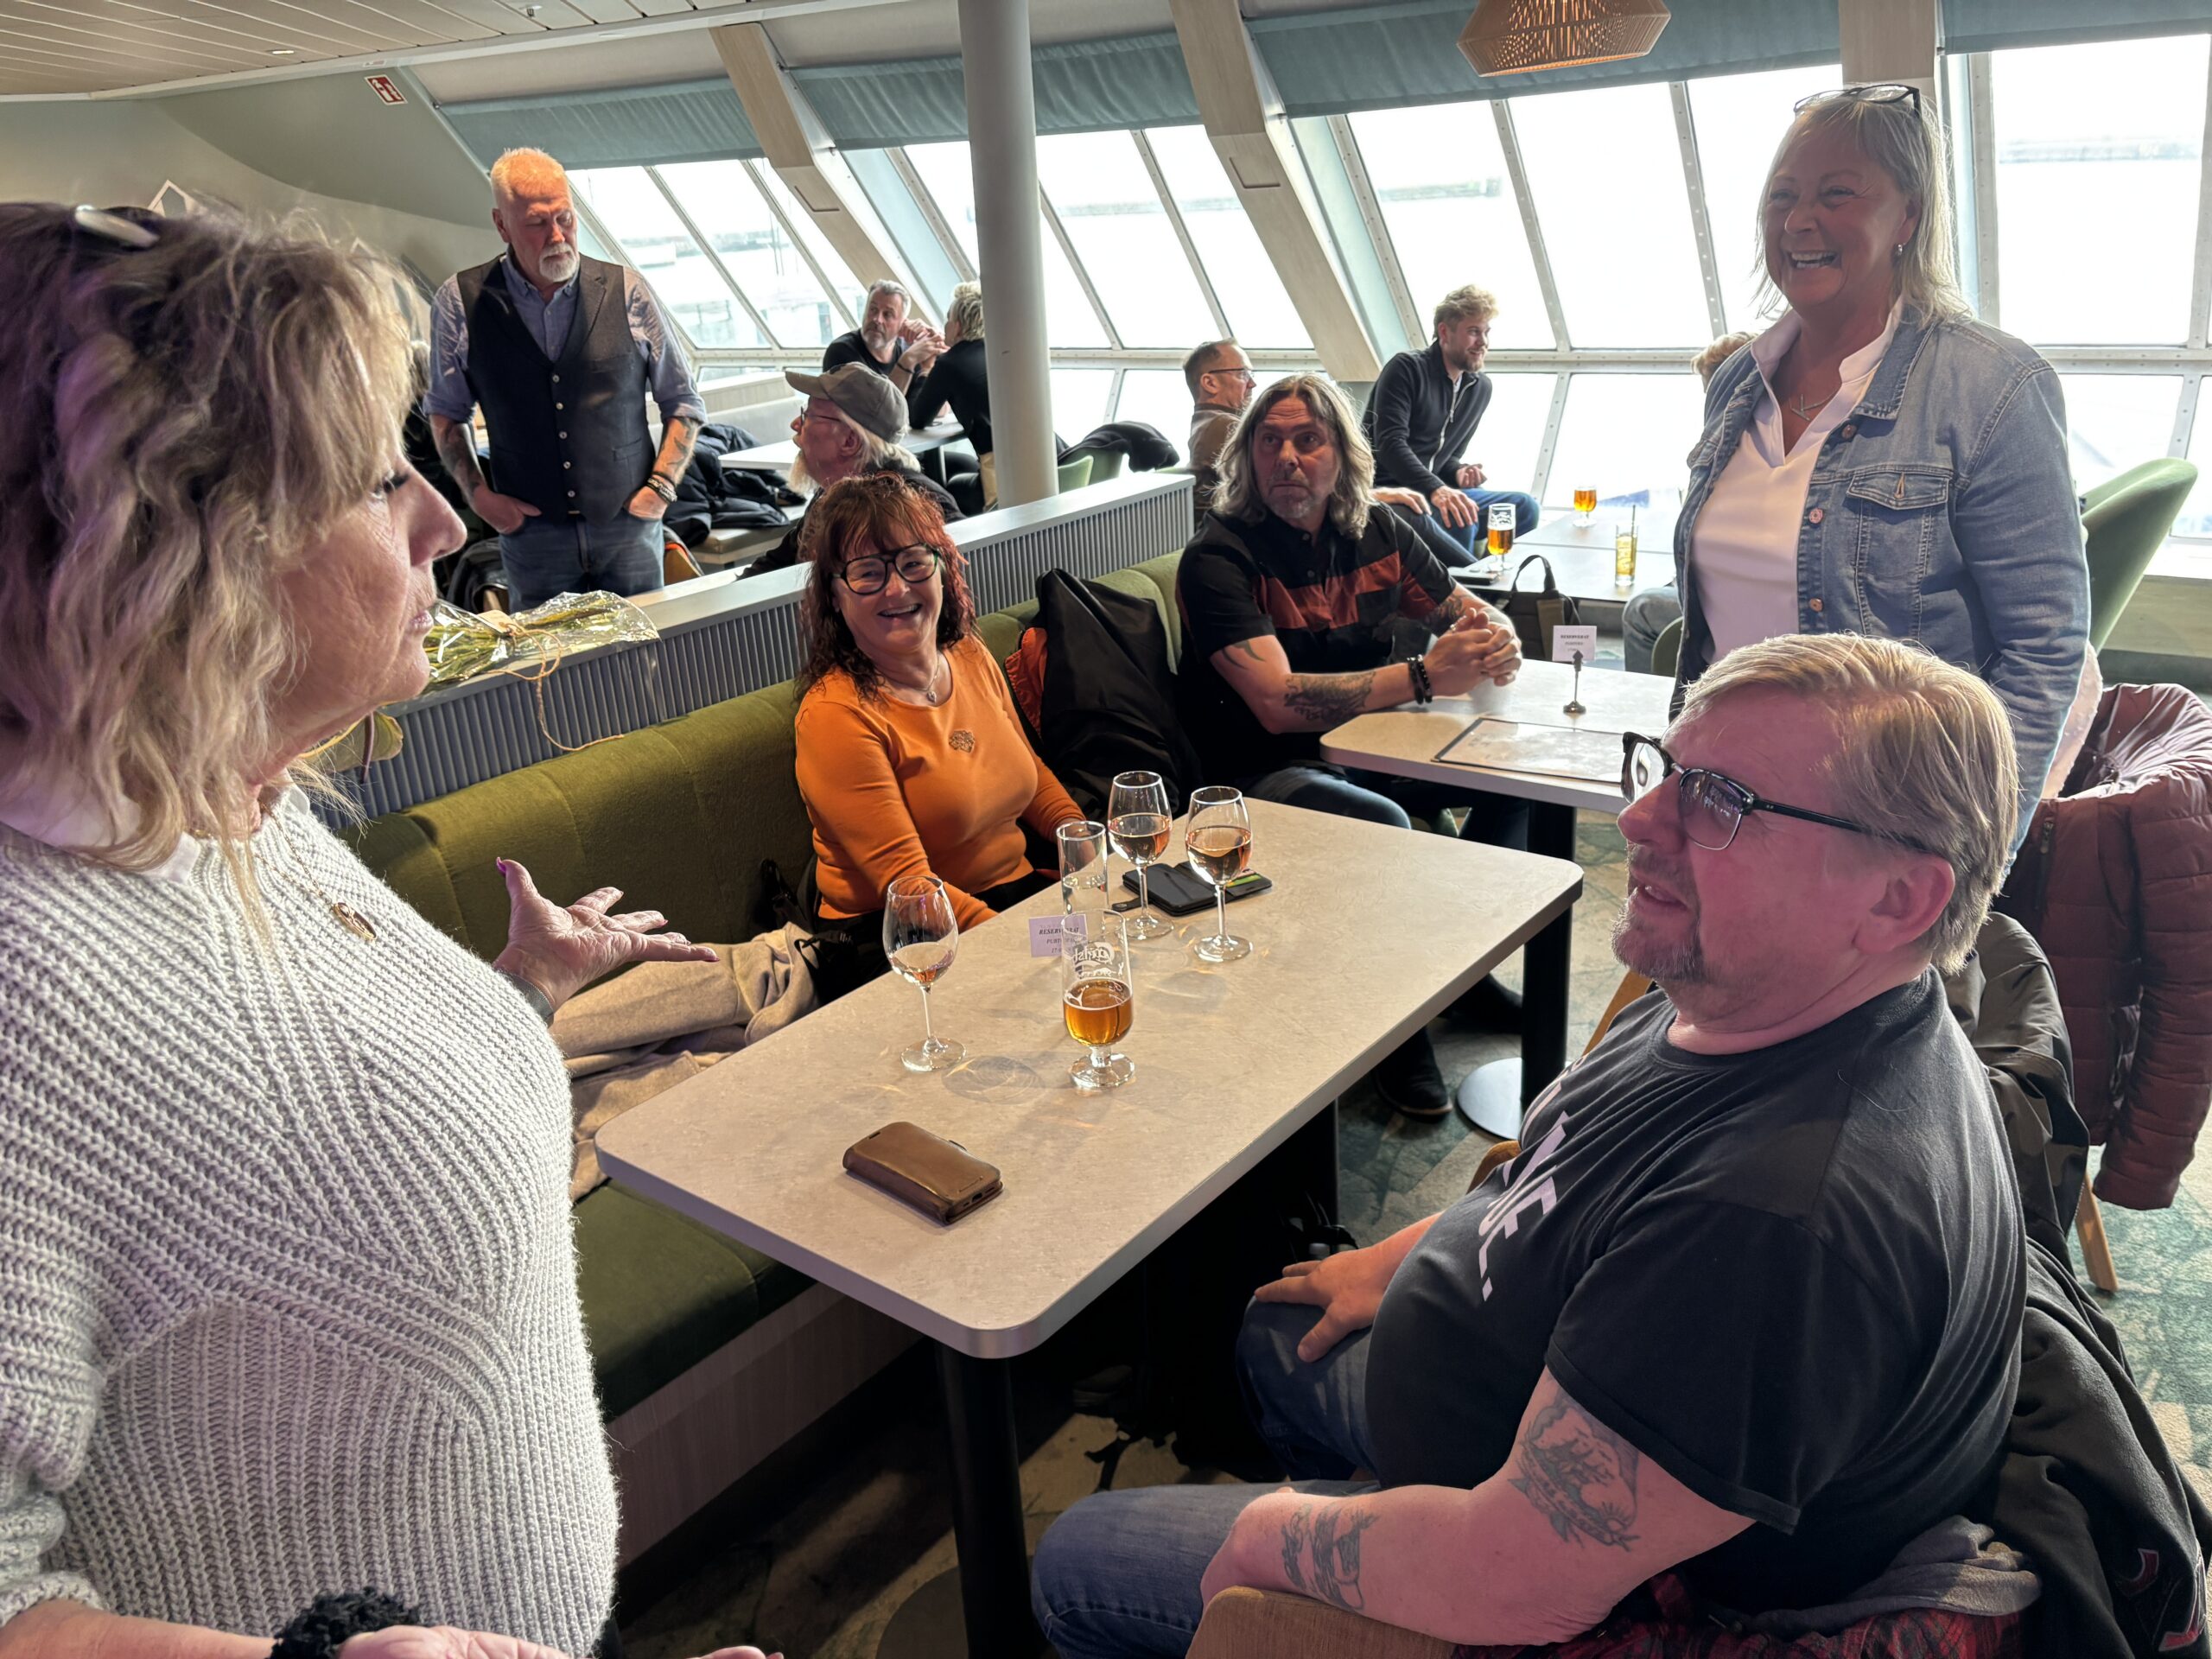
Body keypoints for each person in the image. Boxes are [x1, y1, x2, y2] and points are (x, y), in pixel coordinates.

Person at [0, 203, 772, 1659]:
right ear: (187, 551)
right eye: (375, 478)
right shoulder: (29, 983)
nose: (439, 518)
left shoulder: (239, 802)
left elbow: (272, 1161)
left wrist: (515, 996)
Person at [1034, 632, 2028, 1656]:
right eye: (1667, 769)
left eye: (1721, 801)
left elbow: (1516, 1581)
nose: (1637, 818)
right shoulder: (1751, 988)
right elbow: (1563, 1170)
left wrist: (1268, 1542)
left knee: (1076, 1559)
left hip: (1530, 1567)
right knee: (1267, 1331)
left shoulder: (1773, 1227)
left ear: (1897, 898)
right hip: (1510, 1395)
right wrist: (1405, 1256)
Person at [1675, 84, 2087, 844]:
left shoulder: (1991, 386)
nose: (1799, 221)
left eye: (1837, 194)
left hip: (1883, 821)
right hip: (1724, 801)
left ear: (1908, 217)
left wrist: (1975, 851)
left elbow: (2042, 649)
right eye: (1782, 196)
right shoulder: (1738, 382)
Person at [1175, 374, 1524, 1118]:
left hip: (1373, 748)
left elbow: (1466, 612)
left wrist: (1497, 638)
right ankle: (1397, 1032)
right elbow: (1277, 704)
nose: (1287, 458)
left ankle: (1460, 970)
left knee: (1510, 777)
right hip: (1260, 775)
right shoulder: (1219, 557)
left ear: (1341, 454)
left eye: (1308, 440)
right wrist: (1425, 675)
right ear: (1247, 457)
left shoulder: (1380, 531)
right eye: (1270, 441)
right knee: (1379, 825)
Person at [793, 474, 1084, 935]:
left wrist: (1084, 845)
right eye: (868, 573)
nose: (897, 589)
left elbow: (1030, 772)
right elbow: (910, 887)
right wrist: (1027, 946)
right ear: (835, 595)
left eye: (913, 562)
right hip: (904, 932)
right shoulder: (834, 715)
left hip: (1012, 900)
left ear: (941, 570)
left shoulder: (968, 654)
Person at [425, 147, 706, 611]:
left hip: (628, 527)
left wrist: (661, 489)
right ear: (501, 225)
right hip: (533, 538)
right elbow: (445, 413)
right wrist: (480, 499)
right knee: (547, 656)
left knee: (647, 650)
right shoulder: (461, 301)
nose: (557, 236)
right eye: (537, 223)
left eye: (566, 218)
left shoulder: (627, 290)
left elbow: (684, 403)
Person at [1360, 284, 1539, 556]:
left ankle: (1489, 575)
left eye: (1486, 332)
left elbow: (1448, 455)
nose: (1483, 342)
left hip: (1435, 489)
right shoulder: (1406, 369)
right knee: (1459, 517)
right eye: (1474, 332)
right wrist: (1438, 489)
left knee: (1524, 507)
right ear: (1444, 332)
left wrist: (1457, 472)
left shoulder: (1479, 388)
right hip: (1392, 491)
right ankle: (1464, 584)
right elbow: (1390, 445)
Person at [745, 363, 960, 577]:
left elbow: (958, 574)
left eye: (807, 416)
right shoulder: (834, 489)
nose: (795, 425)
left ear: (850, 441)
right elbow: (778, 562)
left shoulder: (912, 503)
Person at [1623, 331, 1751, 675]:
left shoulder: (1729, 452)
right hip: (1734, 592)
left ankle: (1648, 703)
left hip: (1734, 607)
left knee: (1642, 609)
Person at [910, 282, 995, 514]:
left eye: (948, 319)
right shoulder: (998, 350)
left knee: (947, 491)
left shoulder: (950, 363)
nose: (944, 325)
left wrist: (926, 369)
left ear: (957, 327)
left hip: (1001, 479)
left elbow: (918, 418)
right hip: (1048, 460)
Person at [820, 277, 947, 427]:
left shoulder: (908, 349)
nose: (877, 319)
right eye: (873, 310)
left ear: (903, 323)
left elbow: (931, 411)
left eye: (887, 314)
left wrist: (928, 367)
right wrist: (906, 363)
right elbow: (877, 416)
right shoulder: (841, 352)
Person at [1184, 338, 1257, 511]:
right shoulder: (1225, 426)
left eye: (1251, 374)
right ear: (1210, 383)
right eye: (1242, 374)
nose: (1252, 384)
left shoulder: (1206, 422)